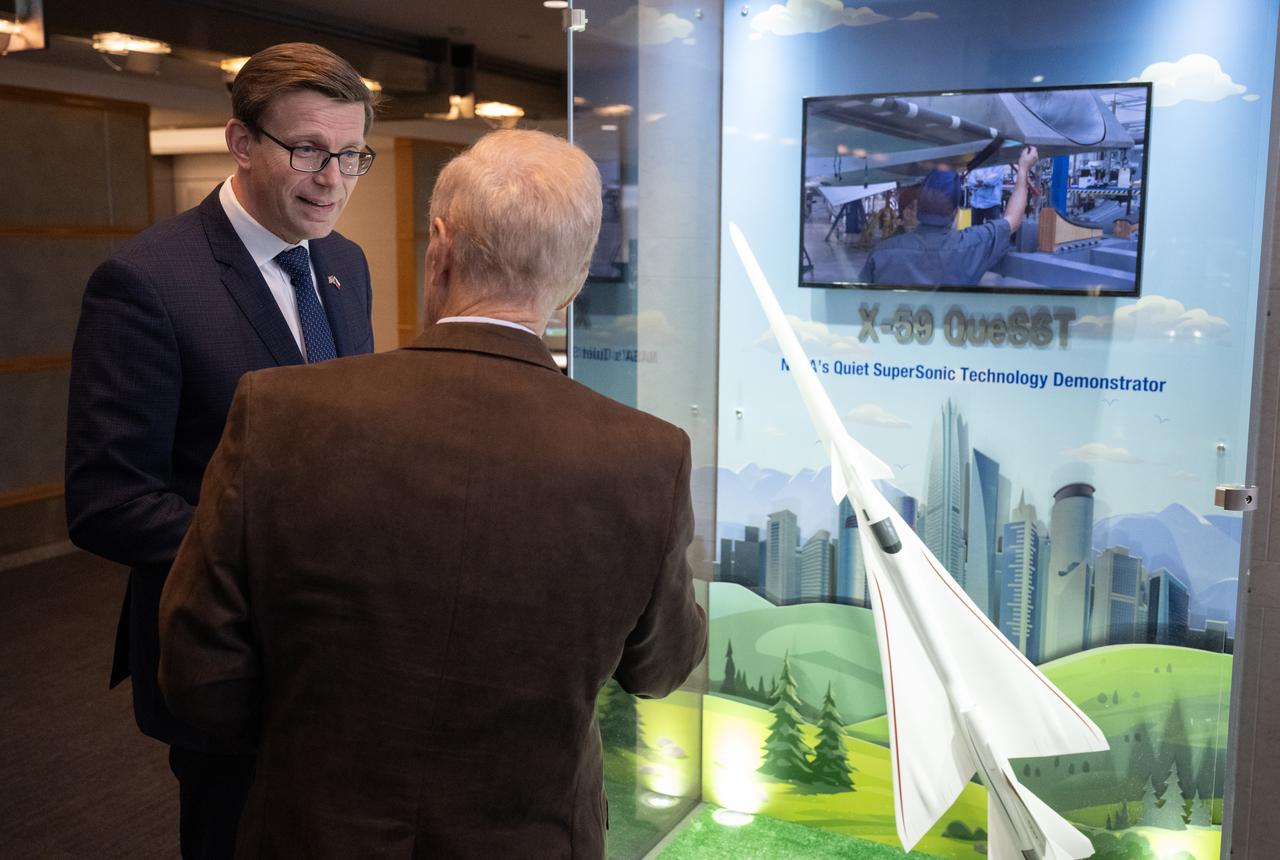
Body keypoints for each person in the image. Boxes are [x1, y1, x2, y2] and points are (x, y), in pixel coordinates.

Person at [157, 129, 708, 858]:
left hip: (310, 831)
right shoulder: (648, 458)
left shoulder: (277, 412)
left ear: (438, 247)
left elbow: (199, 675)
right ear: (576, 280)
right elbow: (661, 668)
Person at [65, 42, 379, 858]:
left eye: (351, 155)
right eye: (308, 150)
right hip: (223, 649)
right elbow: (107, 500)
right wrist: (278, 553)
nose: (333, 180)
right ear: (240, 143)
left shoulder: (345, 263)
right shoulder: (147, 281)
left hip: (335, 643)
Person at [860, 145, 1039, 286]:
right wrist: (1023, 169)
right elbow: (1012, 221)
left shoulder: (882, 253)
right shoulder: (972, 244)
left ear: (918, 208)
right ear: (955, 212)